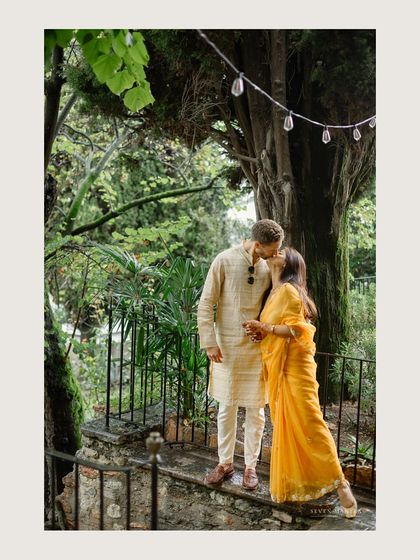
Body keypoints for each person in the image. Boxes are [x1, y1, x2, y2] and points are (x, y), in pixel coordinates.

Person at [243, 247, 358, 518]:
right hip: (280, 370)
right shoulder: (273, 293)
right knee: (288, 427)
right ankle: (297, 486)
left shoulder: (290, 291)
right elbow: (276, 331)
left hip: (296, 369)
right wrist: (260, 333)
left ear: (290, 263)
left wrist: (266, 328)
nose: (276, 252)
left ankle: (341, 486)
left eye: (283, 251)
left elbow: (298, 329)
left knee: (311, 424)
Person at [197, 219, 284, 490]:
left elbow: (280, 301)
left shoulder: (271, 265)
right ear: (259, 245)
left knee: (256, 411)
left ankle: (250, 467)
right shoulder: (224, 260)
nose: (278, 252)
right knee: (227, 408)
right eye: (274, 249)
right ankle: (224, 463)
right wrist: (209, 342)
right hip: (227, 348)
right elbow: (206, 302)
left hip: (258, 347)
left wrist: (277, 269)